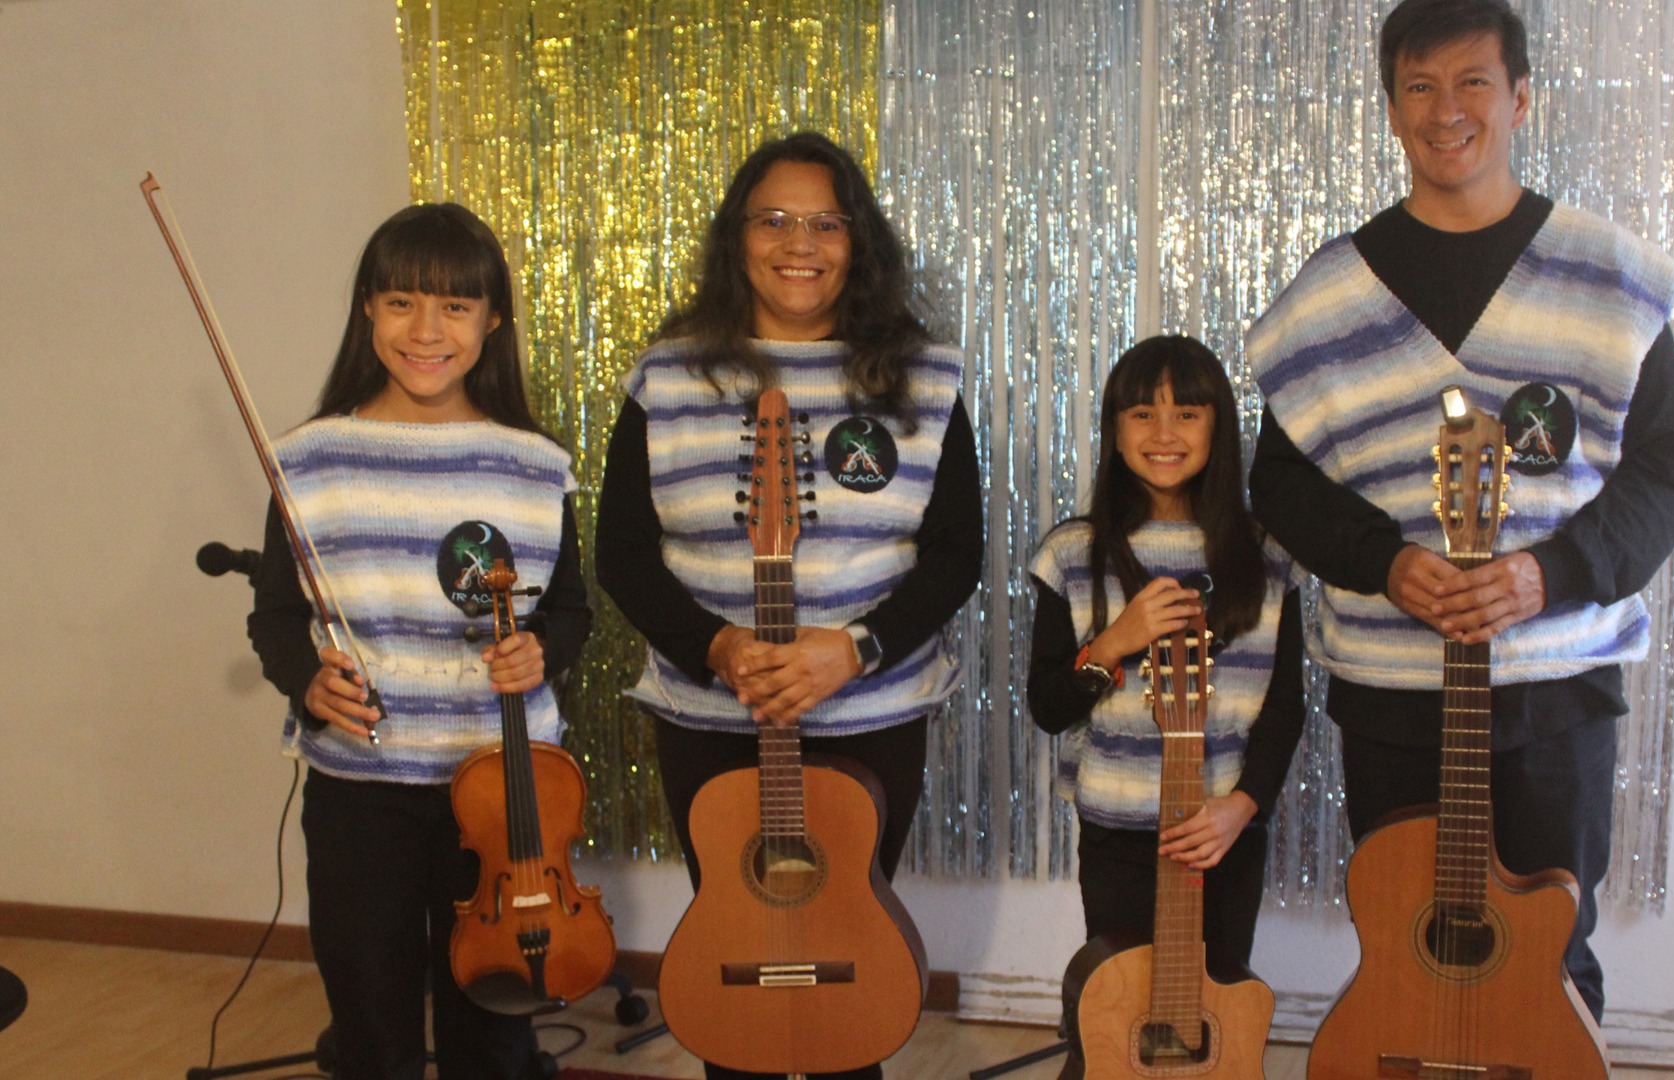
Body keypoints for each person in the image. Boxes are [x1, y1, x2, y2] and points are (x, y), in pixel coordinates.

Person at [1244, 0, 1674, 1023]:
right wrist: (1384, 562)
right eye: (1419, 87)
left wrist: (1550, 574)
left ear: (1520, 98)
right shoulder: (1331, 295)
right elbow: (1280, 484)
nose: (1445, 110)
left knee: (1550, 954)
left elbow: (1668, 477)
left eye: (1472, 83)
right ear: (1392, 108)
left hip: (1556, 690)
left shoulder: (1608, 279)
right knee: (1410, 950)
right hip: (1392, 692)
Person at [595, 131, 983, 1080]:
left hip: (871, 717)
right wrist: (720, 649)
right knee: (739, 962)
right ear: (738, 236)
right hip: (708, 720)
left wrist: (855, 648)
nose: (798, 243)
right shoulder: (668, 378)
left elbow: (954, 555)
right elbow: (624, 556)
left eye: (825, 223)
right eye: (773, 219)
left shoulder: (922, 379)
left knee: (851, 964)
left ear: (858, 242)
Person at [247, 203, 592, 1079]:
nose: (426, 331)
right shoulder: (309, 460)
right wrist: (305, 680)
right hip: (361, 793)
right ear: (368, 308)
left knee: (495, 1034)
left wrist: (541, 651)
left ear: (493, 320)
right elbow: (275, 616)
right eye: (401, 302)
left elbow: (570, 611)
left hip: (502, 793)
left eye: (455, 307)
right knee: (373, 1029)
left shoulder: (533, 463)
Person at [1026, 335, 1304, 1046]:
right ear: (1116, 432)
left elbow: (1284, 708)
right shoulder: (1072, 554)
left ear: (1218, 427)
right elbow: (1048, 707)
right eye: (1143, 414)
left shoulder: (1268, 555)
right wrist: (1114, 642)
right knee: (1120, 1019)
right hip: (1117, 831)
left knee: (1211, 1020)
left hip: (1222, 833)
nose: (1164, 434)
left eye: (1187, 413)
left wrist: (1241, 808)